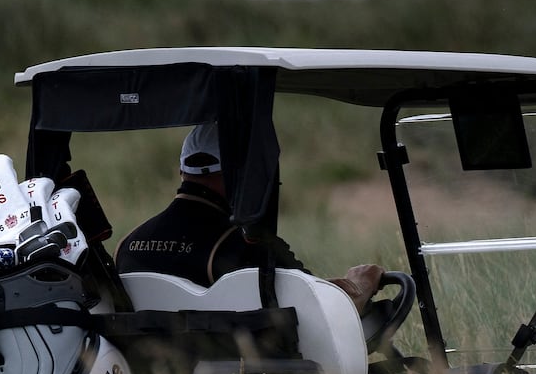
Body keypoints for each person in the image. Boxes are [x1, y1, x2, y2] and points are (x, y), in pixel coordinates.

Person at [115, 122, 383, 312]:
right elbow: (322, 311)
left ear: (181, 171)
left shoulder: (126, 245)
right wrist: (358, 284)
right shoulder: (245, 246)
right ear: (241, 174)